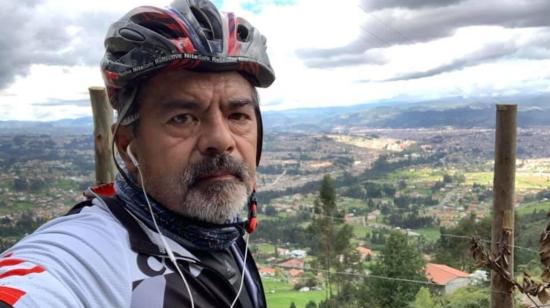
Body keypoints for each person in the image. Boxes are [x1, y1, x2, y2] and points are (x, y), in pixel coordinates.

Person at [0, 0, 275, 307]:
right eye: (182, 117)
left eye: (238, 116)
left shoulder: (224, 235)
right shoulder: (90, 254)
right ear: (128, 148)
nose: (220, 140)